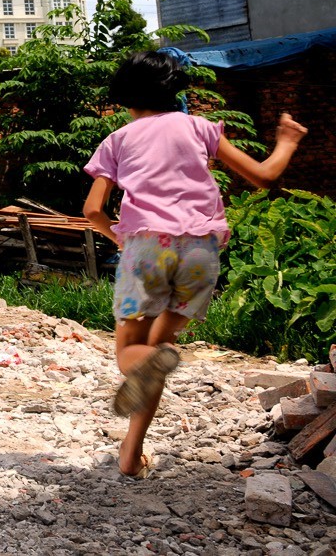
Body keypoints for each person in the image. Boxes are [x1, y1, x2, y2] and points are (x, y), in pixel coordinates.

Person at [82, 49, 306, 478]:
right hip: (202, 250)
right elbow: (264, 176)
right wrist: (287, 142)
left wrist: (120, 237)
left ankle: (147, 368)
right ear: (174, 91)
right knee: (155, 351)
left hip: (148, 250)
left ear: (124, 96)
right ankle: (130, 454)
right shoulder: (199, 126)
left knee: (132, 353)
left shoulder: (118, 140)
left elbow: (93, 210)